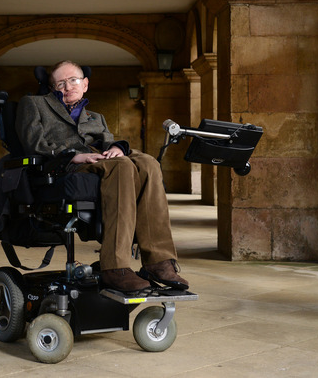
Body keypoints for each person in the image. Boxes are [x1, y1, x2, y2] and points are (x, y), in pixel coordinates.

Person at [15, 60, 189, 293]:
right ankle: (115, 268)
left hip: (101, 157)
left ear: (85, 84)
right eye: (61, 83)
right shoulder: (34, 104)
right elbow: (33, 143)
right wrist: (71, 157)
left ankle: (158, 261)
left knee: (148, 163)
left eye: (74, 80)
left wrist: (117, 147)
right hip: (65, 164)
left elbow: (107, 141)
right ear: (52, 87)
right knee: (122, 167)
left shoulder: (95, 117)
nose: (68, 86)